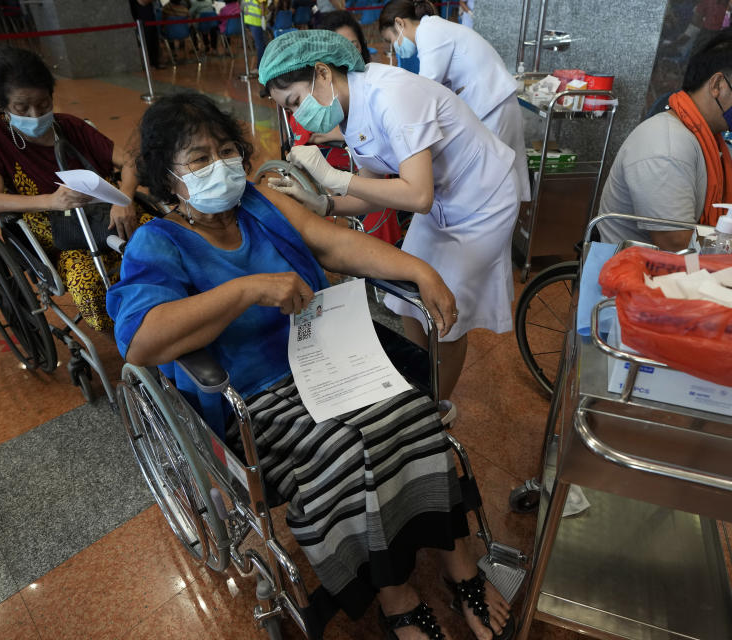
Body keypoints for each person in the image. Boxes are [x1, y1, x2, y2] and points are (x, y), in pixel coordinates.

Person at [106, 92, 514, 640]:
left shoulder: (256, 203)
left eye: (226, 150)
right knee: (341, 452)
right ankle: (397, 596)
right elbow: (141, 340)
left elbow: (333, 244)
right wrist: (248, 289)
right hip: (257, 397)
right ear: (168, 178)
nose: (220, 165)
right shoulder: (158, 242)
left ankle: (458, 562)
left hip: (330, 359)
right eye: (199, 158)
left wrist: (419, 270)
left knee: (411, 416)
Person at [261, 30, 521, 404]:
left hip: (483, 200)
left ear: (321, 73)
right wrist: (327, 205)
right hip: (439, 201)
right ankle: (423, 380)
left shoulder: (392, 96)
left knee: (448, 316)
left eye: (295, 101)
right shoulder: (351, 109)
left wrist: (337, 178)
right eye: (289, 109)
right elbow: (372, 192)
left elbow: (416, 195)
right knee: (408, 299)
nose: (297, 115)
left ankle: (435, 410)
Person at [0, 47, 147, 332]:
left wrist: (124, 198)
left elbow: (130, 162)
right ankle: (124, 336)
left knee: (161, 238)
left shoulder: (70, 127)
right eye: (22, 108)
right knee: (84, 278)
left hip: (104, 213)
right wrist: (52, 201)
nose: (35, 114)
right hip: (57, 233)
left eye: (43, 103)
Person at [598, 27, 732, 251]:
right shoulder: (666, 147)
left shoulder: (709, 136)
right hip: (631, 273)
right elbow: (676, 243)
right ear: (717, 85)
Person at [378, 0, 530, 202]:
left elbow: (425, 89)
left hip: (494, 105)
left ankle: (496, 224)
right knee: (496, 180)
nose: (395, 48)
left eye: (391, 41)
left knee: (495, 181)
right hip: (492, 103)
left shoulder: (430, 32)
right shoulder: (432, 29)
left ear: (400, 23)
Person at [307, 10, 403, 245]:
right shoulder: (318, 98)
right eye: (340, 46)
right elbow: (310, 137)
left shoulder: (380, 86)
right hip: (344, 158)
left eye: (354, 44)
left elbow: (419, 196)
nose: (349, 52)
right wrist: (326, 204)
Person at [129, 0, 163, 69]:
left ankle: (154, 62)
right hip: (143, 16)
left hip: (148, 16)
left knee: (153, 38)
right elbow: (142, 2)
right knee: (147, 39)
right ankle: (149, 63)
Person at [242, 0, 268, 66]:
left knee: (260, 45)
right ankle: (262, 66)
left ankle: (260, 67)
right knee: (260, 44)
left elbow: (262, 4)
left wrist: (262, 17)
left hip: (256, 22)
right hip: (248, 21)